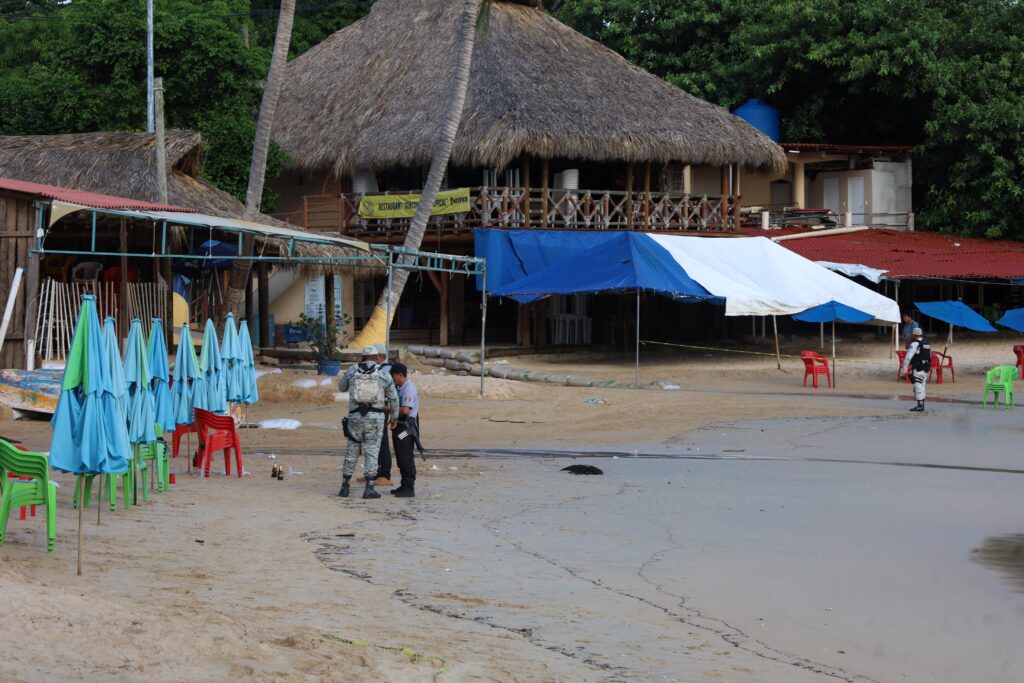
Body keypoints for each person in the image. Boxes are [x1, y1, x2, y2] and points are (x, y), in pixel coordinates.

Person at [337, 346, 399, 499]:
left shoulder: (352, 370)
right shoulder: (384, 374)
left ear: (362, 357)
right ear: (376, 357)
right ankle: (369, 488)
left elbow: (341, 387)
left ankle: (345, 487)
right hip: (375, 418)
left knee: (351, 451)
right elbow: (394, 399)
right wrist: (394, 418)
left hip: (355, 417)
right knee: (372, 452)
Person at [358, 342, 393, 486]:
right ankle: (372, 473)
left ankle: (384, 474)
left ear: (378, 357)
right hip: (370, 409)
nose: (367, 360)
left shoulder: (386, 370)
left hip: (381, 409)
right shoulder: (374, 369)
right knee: (370, 443)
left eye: (370, 357)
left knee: (382, 442)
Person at [388, 362, 420, 498]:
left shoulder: (409, 389)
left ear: (399, 375)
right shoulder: (401, 388)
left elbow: (405, 410)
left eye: (393, 376)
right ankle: (404, 484)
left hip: (406, 427)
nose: (392, 379)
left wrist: (388, 409)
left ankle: (409, 487)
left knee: (406, 456)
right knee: (401, 456)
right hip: (400, 425)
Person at [900, 327, 931, 412]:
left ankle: (920, 406)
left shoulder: (915, 344)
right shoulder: (926, 343)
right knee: (922, 385)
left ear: (914, 335)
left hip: (918, 367)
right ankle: (922, 404)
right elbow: (929, 356)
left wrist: (904, 370)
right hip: (926, 368)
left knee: (917, 385)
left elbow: (908, 357)